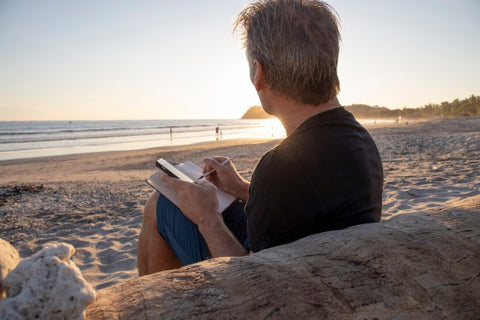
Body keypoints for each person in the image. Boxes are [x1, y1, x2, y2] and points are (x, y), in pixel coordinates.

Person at [137, 0, 383, 275]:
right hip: (323, 260)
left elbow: (253, 277)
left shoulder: (281, 168)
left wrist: (208, 218)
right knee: (166, 202)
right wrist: (241, 188)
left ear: (259, 73)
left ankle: (156, 302)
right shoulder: (360, 139)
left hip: (292, 283)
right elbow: (311, 204)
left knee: (158, 205)